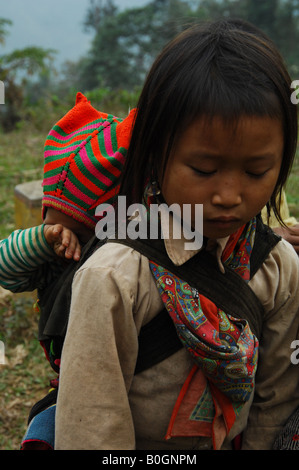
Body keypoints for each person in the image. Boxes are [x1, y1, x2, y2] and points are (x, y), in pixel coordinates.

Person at [54, 19, 299, 451]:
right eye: (203, 170)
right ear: (154, 151)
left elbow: (276, 402)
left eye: (256, 171)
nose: (229, 195)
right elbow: (93, 423)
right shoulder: (114, 277)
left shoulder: (278, 268)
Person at [0, 92, 136, 449]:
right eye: (50, 222)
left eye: (75, 232)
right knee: (43, 434)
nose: (63, 240)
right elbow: (5, 269)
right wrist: (42, 241)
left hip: (131, 386)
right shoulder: (49, 261)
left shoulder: (123, 258)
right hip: (70, 390)